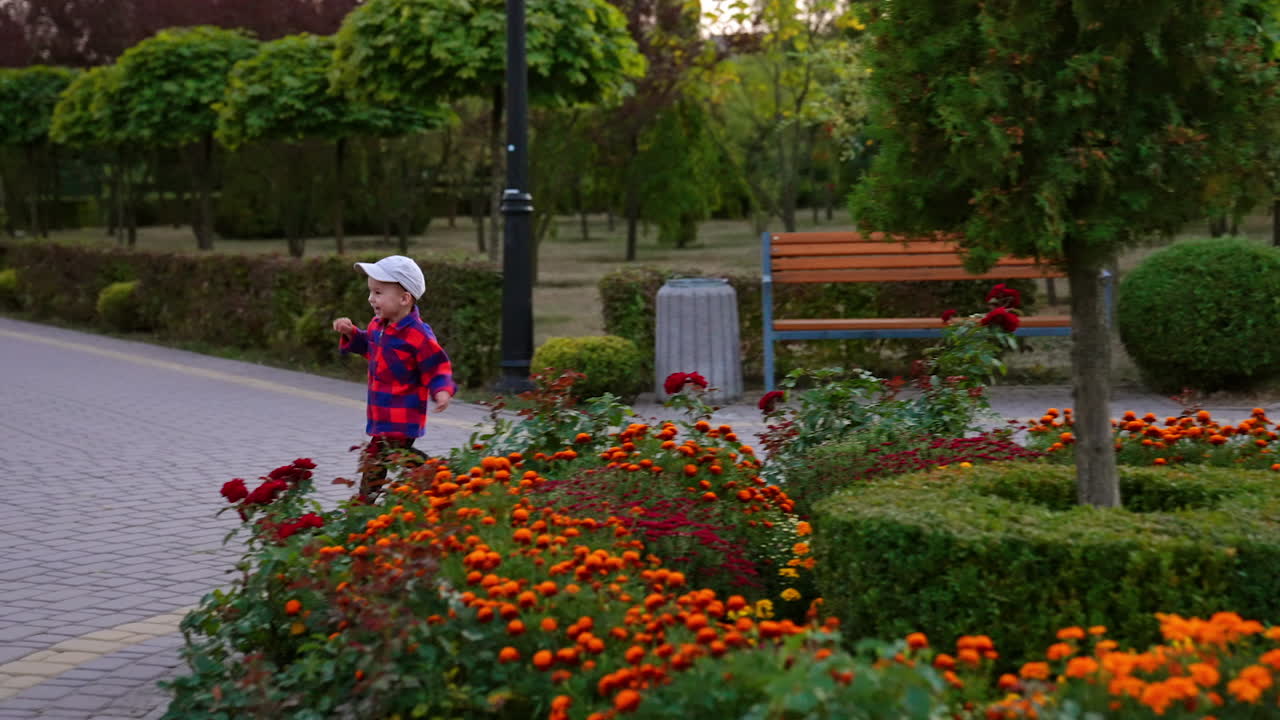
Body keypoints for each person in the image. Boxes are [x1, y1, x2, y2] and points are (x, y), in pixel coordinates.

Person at [332, 255, 456, 498]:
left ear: (404, 299)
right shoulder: (378, 326)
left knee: (377, 458)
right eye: (371, 291)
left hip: (402, 414)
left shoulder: (418, 335)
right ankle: (438, 479)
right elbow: (369, 347)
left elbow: (436, 365)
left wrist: (442, 389)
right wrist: (351, 333)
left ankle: (364, 505)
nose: (371, 298)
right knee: (394, 457)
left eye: (378, 292)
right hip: (382, 411)